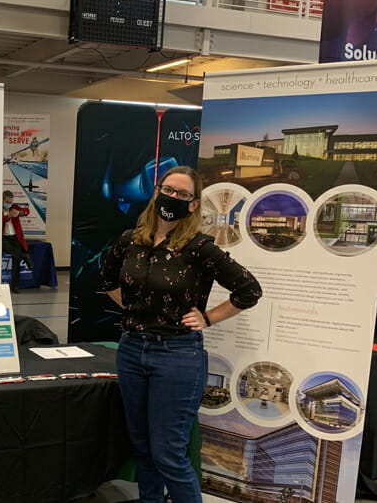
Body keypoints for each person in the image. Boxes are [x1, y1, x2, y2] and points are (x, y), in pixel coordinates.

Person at [100, 166, 261, 503]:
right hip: (131, 350)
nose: (172, 197)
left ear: (193, 204)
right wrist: (134, 309)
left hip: (177, 355)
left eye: (182, 194)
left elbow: (248, 289)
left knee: (168, 454)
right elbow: (109, 280)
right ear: (156, 191)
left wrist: (209, 317)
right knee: (142, 448)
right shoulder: (131, 240)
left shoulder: (199, 248)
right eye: (167, 189)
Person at [2, 190, 33, 293]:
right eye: (7, 202)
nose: (9, 204)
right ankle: (24, 256)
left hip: (15, 237)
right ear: (2, 200)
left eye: (11, 202)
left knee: (16, 258)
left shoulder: (14, 206)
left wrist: (19, 213)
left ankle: (15, 286)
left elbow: (27, 211)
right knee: (18, 254)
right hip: (3, 238)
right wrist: (8, 216)